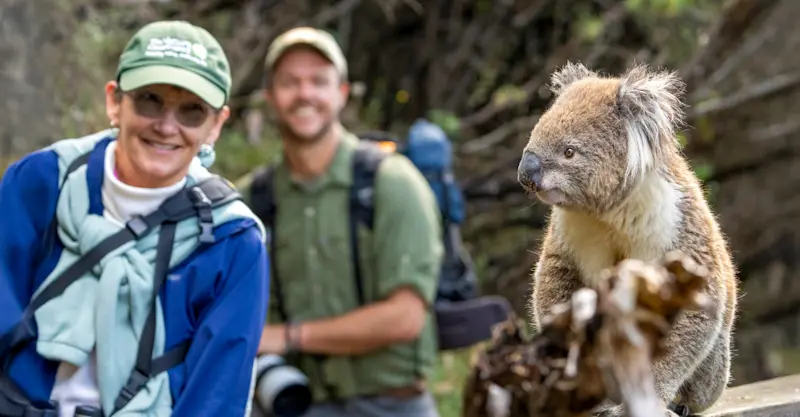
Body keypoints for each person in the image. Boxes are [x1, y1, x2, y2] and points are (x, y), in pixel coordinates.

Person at [0, 20, 269, 417]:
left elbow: (217, 398)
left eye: (192, 111)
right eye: (150, 100)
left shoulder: (232, 240)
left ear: (216, 125)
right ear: (115, 102)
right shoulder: (43, 182)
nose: (167, 126)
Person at [244, 27, 444, 417]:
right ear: (270, 96)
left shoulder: (391, 183)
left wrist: (287, 337)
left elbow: (404, 317)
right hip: (293, 402)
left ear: (342, 92)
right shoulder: (251, 200)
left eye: (319, 81)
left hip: (393, 404)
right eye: (289, 82)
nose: (304, 94)